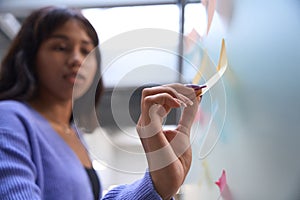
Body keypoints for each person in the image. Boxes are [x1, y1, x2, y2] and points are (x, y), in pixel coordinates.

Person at [0, 6, 202, 200]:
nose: (76, 59)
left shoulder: (73, 132)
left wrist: (158, 183)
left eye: (86, 50)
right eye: (60, 47)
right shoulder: (9, 117)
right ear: (28, 57)